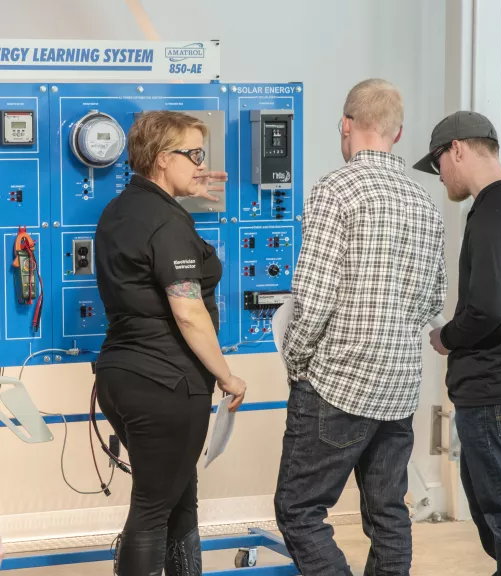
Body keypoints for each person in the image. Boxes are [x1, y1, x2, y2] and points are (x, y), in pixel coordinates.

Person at [275, 78, 447, 576]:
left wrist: (299, 363)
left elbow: (313, 296)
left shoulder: (335, 190)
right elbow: (432, 301)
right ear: (397, 134)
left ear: (346, 125)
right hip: (398, 388)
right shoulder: (424, 204)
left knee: (299, 510)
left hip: (339, 382)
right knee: (389, 515)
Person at [95, 110, 247, 576]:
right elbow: (188, 311)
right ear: (163, 159)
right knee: (154, 508)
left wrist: (183, 205)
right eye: (194, 154)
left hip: (121, 378)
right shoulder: (166, 223)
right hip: (164, 383)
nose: (202, 164)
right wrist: (227, 375)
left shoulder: (122, 210)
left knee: (178, 498)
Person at [414, 111, 501, 575]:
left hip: (495, 386)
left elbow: (489, 309)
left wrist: (446, 337)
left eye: (438, 165)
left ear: (456, 149)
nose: (441, 178)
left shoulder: (493, 212)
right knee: (496, 510)